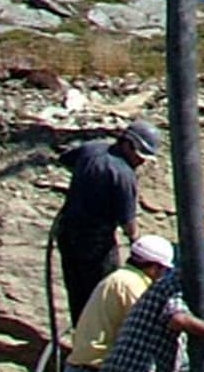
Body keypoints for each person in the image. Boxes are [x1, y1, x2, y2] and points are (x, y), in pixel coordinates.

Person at [63, 234, 173, 372]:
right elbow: (150, 326)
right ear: (153, 267)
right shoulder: (131, 285)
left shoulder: (120, 279)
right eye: (163, 271)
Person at [56, 119, 161, 322]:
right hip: (96, 245)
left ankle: (81, 337)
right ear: (128, 144)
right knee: (104, 296)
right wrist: (138, 246)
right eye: (140, 156)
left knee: (77, 293)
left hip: (67, 234)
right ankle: (100, 344)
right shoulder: (123, 175)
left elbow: (66, 159)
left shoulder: (92, 149)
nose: (141, 162)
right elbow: (128, 223)